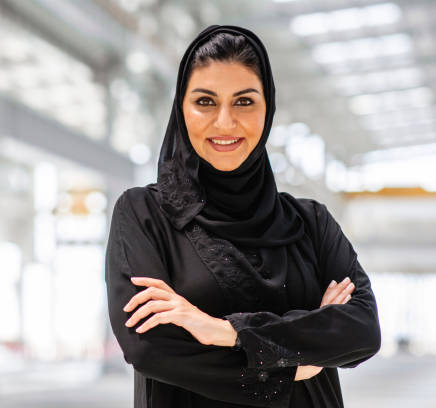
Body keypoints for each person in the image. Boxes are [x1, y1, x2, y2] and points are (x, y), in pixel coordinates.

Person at [104, 24, 381, 408]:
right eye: (205, 101)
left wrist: (228, 331)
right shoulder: (145, 215)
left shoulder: (311, 223)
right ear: (181, 108)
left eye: (244, 102)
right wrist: (297, 360)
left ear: (267, 109)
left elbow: (362, 330)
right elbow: (150, 348)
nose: (224, 123)